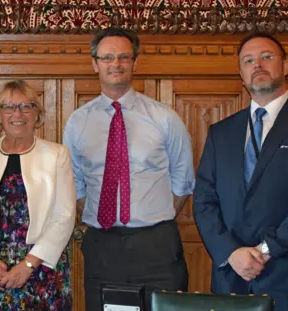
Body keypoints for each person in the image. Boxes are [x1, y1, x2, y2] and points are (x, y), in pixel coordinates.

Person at [193, 32, 288, 311]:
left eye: (266, 57)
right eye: (248, 60)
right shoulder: (220, 133)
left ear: (286, 66)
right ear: (241, 74)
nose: (257, 64)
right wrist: (231, 253)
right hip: (232, 277)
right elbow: (204, 202)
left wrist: (264, 251)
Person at [63, 27, 195, 310]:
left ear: (135, 62)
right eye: (107, 57)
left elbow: (183, 181)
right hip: (104, 245)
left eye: (124, 57)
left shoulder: (164, 118)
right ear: (95, 63)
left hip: (156, 245)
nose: (116, 64)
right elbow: (76, 181)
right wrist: (103, 217)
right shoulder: (78, 122)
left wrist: (149, 217)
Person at [0, 80, 76, 310]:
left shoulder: (56, 155)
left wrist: (29, 264)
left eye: (26, 106)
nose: (17, 113)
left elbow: (64, 215)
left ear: (36, 114)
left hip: (42, 269)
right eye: (8, 107)